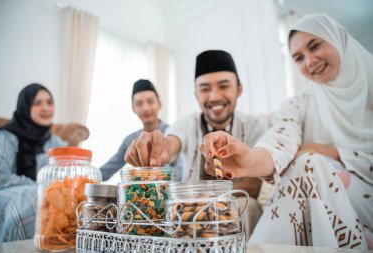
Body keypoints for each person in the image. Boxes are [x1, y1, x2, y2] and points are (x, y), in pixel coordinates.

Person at [200, 14, 372, 249]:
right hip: (330, 198)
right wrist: (248, 161)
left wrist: (334, 153)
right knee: (308, 163)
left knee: (311, 162)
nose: (310, 62)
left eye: (315, 46)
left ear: (337, 38)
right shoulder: (300, 103)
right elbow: (281, 138)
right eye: (299, 58)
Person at [124, 50, 270, 232]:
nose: (214, 96)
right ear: (196, 94)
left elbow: (254, 186)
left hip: (228, 210)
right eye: (205, 89)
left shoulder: (255, 125)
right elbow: (171, 142)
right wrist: (159, 149)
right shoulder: (187, 124)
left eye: (223, 86)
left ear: (239, 89)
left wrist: (207, 203)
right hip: (187, 215)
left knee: (245, 206)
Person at [0, 83, 67, 243]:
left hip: (39, 194)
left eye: (49, 102)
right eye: (37, 103)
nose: (46, 108)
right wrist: (39, 187)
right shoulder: (7, 136)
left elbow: (68, 174)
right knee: (33, 197)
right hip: (4, 192)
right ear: (25, 107)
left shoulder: (55, 141)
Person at [100, 79, 172, 180]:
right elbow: (106, 171)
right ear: (133, 108)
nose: (145, 108)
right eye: (139, 104)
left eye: (150, 101)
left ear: (159, 104)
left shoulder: (173, 134)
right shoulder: (129, 140)